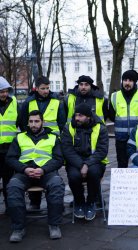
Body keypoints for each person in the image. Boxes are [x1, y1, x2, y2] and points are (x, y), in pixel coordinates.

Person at [6, 110, 65, 242]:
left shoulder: (53, 137)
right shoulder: (19, 137)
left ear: (42, 122)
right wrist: (25, 168)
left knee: (57, 185)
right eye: (31, 121)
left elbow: (58, 159)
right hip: (24, 173)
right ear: (27, 122)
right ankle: (18, 228)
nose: (33, 124)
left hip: (46, 172)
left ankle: (54, 225)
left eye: (37, 121)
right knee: (13, 187)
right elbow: (10, 158)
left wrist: (43, 170)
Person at [20, 75, 66, 210]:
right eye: (43, 88)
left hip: (51, 142)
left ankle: (56, 203)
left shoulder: (57, 101)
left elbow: (62, 123)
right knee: (33, 167)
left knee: (53, 173)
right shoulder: (28, 102)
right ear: (36, 88)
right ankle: (35, 202)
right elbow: (23, 122)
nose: (46, 91)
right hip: (33, 140)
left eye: (48, 88)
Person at [61, 103, 108, 221]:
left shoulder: (100, 128)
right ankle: (79, 201)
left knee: (94, 173)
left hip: (95, 162)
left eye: (80, 115)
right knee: (73, 176)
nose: (77, 118)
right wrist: (81, 165)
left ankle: (91, 202)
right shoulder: (69, 128)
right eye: (76, 115)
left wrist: (87, 164)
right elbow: (67, 150)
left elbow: (102, 151)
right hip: (75, 162)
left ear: (89, 117)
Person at [109, 69, 138, 168]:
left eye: (130, 80)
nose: (127, 83)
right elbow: (111, 115)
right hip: (121, 137)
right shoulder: (114, 96)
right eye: (125, 80)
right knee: (122, 164)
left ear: (134, 82)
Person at [0, 76, 21, 210]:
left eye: (6, 91)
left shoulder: (14, 103)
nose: (4, 94)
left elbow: (21, 123)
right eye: (1, 91)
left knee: (9, 180)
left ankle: (9, 206)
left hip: (10, 149)